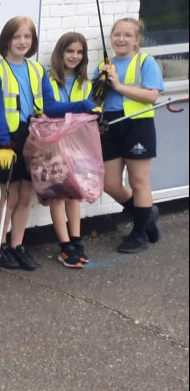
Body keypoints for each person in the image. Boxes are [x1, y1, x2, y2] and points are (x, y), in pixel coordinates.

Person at [0, 16, 43, 271]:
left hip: (34, 136)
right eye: (17, 36)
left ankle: (17, 245)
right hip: (8, 139)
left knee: (26, 195)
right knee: (9, 196)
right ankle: (0, 246)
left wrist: (81, 108)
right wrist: (3, 144)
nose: (22, 41)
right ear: (7, 39)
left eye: (27, 36)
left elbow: (49, 103)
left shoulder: (37, 69)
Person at [97, 18, 164, 253]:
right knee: (110, 183)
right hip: (110, 125)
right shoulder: (105, 65)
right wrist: (100, 85)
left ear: (137, 40)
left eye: (127, 35)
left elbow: (152, 96)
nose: (121, 39)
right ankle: (145, 214)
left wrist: (119, 86)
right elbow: (98, 100)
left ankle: (139, 235)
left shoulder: (146, 62)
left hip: (137, 125)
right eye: (117, 34)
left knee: (138, 182)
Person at [42, 32, 98, 267]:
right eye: (69, 51)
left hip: (79, 146)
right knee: (58, 195)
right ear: (60, 52)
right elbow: (51, 107)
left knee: (74, 194)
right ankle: (64, 246)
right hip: (53, 146)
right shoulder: (48, 79)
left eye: (79, 52)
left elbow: (94, 110)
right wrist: (82, 107)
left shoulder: (86, 82)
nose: (74, 56)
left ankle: (76, 240)